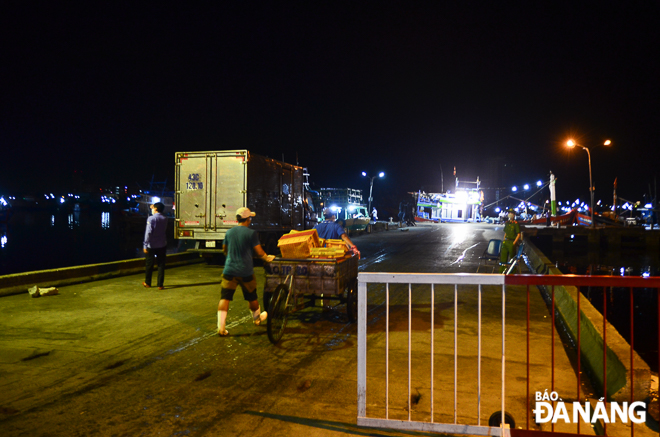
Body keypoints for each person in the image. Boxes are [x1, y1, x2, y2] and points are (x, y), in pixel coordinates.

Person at [217, 207, 275, 336]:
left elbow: (224, 250)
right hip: (245, 271)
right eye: (250, 218)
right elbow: (259, 252)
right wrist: (267, 258)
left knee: (225, 298)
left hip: (229, 270)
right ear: (248, 219)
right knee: (251, 297)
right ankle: (257, 319)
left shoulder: (229, 232)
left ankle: (221, 328)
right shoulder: (251, 233)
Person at [143, 202, 168, 289]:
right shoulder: (165, 218)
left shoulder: (151, 218)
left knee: (149, 264)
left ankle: (148, 282)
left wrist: (145, 245)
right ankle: (160, 284)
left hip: (151, 245)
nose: (152, 209)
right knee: (161, 265)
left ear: (156, 209)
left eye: (153, 208)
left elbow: (148, 233)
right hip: (162, 244)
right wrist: (154, 207)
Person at [500, 208, 522, 273]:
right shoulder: (507, 223)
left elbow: (518, 234)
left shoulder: (515, 223)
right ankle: (502, 271)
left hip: (511, 242)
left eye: (511, 213)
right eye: (509, 213)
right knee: (503, 257)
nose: (510, 214)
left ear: (514, 215)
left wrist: (514, 243)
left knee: (512, 258)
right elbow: (505, 233)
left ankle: (513, 271)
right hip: (506, 241)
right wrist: (504, 240)